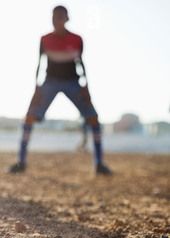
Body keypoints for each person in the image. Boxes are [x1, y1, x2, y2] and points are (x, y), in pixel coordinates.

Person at [9, 6, 112, 175]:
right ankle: (20, 162)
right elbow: (39, 63)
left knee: (93, 119)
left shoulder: (77, 39)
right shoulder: (44, 39)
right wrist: (36, 88)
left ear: (67, 19)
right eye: (53, 17)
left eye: (59, 17)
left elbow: (81, 63)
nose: (55, 20)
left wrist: (87, 88)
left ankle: (99, 164)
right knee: (29, 117)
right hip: (50, 81)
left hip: (73, 81)